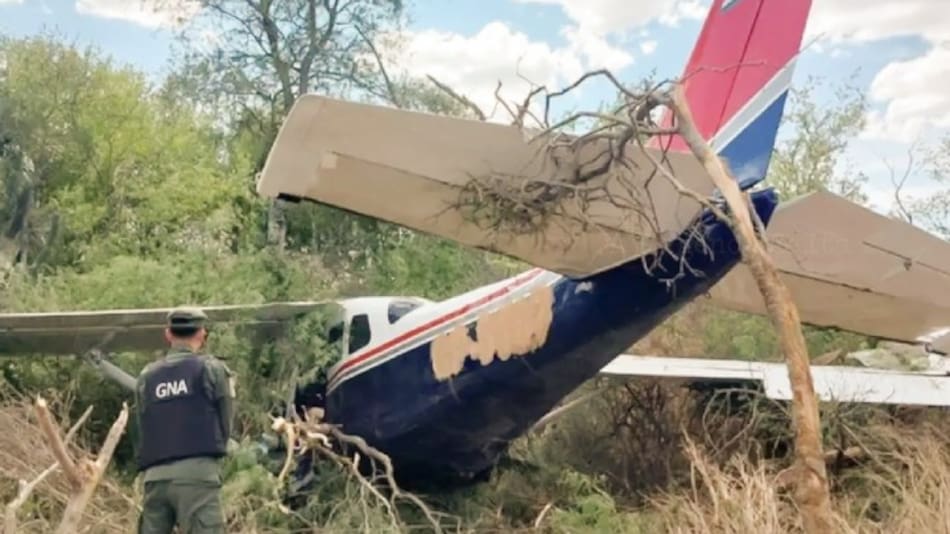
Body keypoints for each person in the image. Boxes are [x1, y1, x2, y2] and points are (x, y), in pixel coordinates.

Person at [136, 307, 235, 534]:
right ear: (202, 334)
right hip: (198, 476)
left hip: (155, 478)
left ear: (168, 334)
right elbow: (226, 423)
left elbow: (140, 428)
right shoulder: (211, 369)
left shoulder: (146, 377)